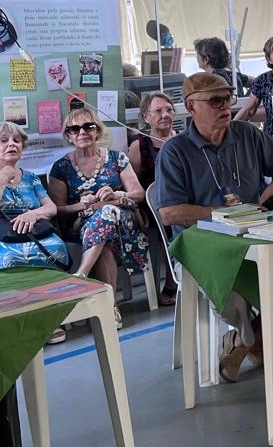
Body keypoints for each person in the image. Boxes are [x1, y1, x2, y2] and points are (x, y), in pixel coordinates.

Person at [153, 74, 273, 381]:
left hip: (255, 235)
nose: (225, 107)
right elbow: (169, 213)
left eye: (228, 98)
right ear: (191, 106)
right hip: (201, 247)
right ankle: (252, 340)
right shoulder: (175, 151)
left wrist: (268, 195)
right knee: (230, 289)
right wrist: (223, 215)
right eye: (215, 100)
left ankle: (241, 342)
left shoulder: (247, 134)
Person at [47, 108, 147, 329]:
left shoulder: (116, 158)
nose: (82, 132)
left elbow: (138, 193)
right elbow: (58, 210)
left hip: (121, 219)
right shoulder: (61, 167)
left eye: (88, 126)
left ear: (97, 130)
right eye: (75, 129)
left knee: (107, 214)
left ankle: (81, 275)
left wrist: (117, 195)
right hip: (81, 224)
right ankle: (110, 306)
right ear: (68, 135)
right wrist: (83, 204)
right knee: (105, 239)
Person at [1, 121, 72, 344]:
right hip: (4, 237)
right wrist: (4, 176)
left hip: (35, 233)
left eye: (16, 140)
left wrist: (33, 214)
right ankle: (19, 320)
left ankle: (50, 317)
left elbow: (51, 208)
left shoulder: (31, 177)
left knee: (57, 248)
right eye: (3, 141)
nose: (11, 144)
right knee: (9, 257)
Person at [127, 92, 178, 305]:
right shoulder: (138, 146)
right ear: (146, 117)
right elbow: (134, 185)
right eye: (158, 111)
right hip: (152, 205)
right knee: (170, 220)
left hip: (181, 199)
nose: (165, 115)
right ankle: (173, 280)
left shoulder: (182, 141)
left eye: (169, 110)